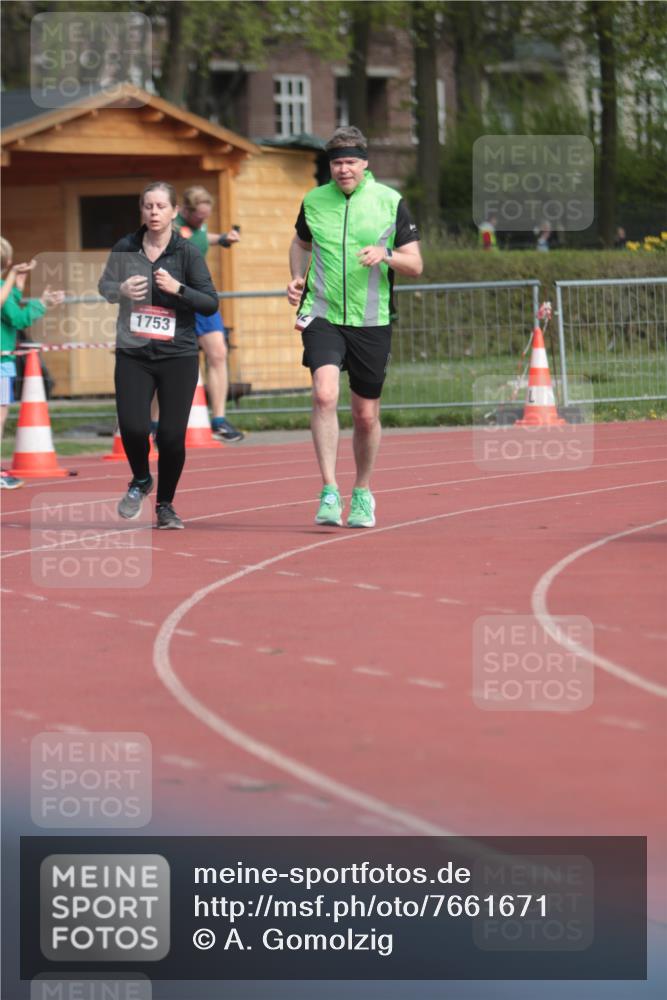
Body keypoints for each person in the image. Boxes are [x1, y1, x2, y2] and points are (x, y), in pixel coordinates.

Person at [287, 126, 423, 529]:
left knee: (365, 415)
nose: (343, 169)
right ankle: (329, 489)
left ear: (365, 163)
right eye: (336, 163)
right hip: (323, 312)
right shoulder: (314, 201)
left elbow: (415, 264)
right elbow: (300, 242)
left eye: (350, 162)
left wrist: (386, 254)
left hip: (371, 319)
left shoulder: (389, 201)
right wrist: (297, 277)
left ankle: (362, 492)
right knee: (324, 395)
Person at [98, 181, 219, 529]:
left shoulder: (186, 253)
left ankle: (165, 504)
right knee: (133, 428)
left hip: (177, 355)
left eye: (160, 207)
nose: (154, 213)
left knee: (169, 436)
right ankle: (140, 479)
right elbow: (104, 286)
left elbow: (210, 301)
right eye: (148, 206)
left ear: (174, 211)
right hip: (134, 352)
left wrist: (179, 289)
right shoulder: (126, 247)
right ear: (142, 210)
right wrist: (119, 289)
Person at [172, 185, 244, 442]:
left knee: (218, 353)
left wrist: (223, 238)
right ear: (185, 211)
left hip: (203, 297)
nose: (203, 219)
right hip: (179, 298)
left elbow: (201, 236)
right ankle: (155, 424)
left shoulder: (197, 226)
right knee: (169, 362)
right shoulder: (173, 228)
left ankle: (219, 420)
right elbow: (189, 239)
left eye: (206, 215)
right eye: (199, 216)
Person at [1, 240, 63, 489]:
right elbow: (17, 317)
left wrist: (18, 281)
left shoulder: (5, 289)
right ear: (6, 263)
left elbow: (9, 303)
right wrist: (42, 304)